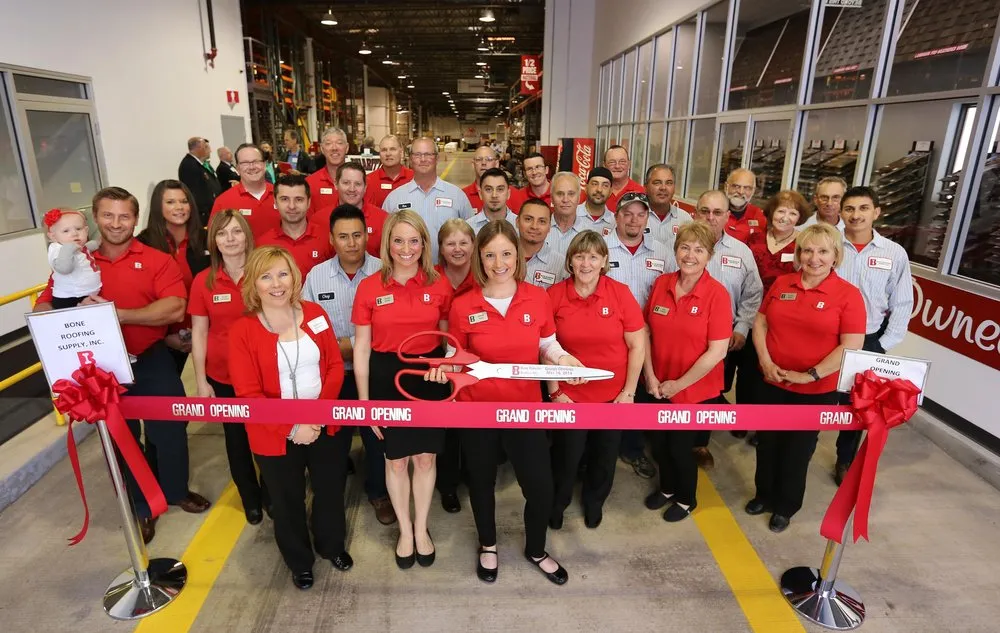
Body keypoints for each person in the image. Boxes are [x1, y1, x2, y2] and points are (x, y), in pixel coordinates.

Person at [34, 187, 210, 545]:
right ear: (95, 218)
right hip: (101, 371)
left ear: (135, 218)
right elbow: (44, 305)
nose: (116, 223)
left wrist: (115, 314)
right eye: (108, 215)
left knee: (171, 430)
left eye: (124, 216)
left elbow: (175, 307)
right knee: (121, 438)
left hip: (150, 358)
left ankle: (175, 490)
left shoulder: (157, 259)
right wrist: (59, 320)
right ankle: (143, 505)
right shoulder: (77, 260)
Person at [427, 220, 579, 586]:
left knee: (540, 486)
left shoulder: (537, 298)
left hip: (524, 410)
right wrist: (445, 368)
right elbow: (455, 355)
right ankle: (488, 545)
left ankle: (536, 549)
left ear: (517, 255)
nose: (499, 263)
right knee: (481, 484)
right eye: (491, 255)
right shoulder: (464, 305)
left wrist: (563, 360)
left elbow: (547, 344)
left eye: (506, 254)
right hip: (477, 411)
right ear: (480, 258)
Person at [228, 246, 352, 589]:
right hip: (273, 433)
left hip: (323, 424)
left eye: (283, 274)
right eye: (266, 277)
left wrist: (317, 418)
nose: (277, 284)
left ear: (294, 277)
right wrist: (293, 427)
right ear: (253, 284)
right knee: (286, 501)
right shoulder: (243, 331)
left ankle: (332, 545)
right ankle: (299, 561)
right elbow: (248, 394)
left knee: (330, 490)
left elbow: (334, 366)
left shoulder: (315, 313)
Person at [352, 210, 453, 569]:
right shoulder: (369, 287)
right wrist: (365, 403)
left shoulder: (439, 284)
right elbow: (361, 349)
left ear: (424, 244)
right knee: (395, 462)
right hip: (386, 377)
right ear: (387, 244)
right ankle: (405, 531)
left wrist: (447, 372)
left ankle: (421, 528)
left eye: (413, 241)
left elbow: (448, 343)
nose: (406, 248)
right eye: (398, 241)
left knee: (426, 458)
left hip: (428, 377)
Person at [747, 223, 865, 532]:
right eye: (808, 250)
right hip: (773, 381)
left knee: (797, 451)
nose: (814, 258)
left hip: (815, 390)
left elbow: (851, 345)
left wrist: (809, 375)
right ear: (799, 254)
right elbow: (760, 323)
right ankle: (763, 495)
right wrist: (765, 361)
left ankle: (785, 506)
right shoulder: (782, 283)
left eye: (823, 251)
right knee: (767, 443)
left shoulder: (848, 295)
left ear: (835, 255)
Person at [303, 204, 395, 526]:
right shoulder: (316, 277)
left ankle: (379, 493)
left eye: (357, 235)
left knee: (378, 438)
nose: (352, 243)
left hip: (375, 371)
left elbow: (391, 329)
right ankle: (330, 497)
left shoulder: (385, 271)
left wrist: (347, 345)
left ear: (367, 235)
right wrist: (349, 347)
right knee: (331, 441)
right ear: (332, 239)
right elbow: (307, 328)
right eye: (343, 236)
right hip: (333, 374)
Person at [548, 230, 645, 529]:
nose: (586, 263)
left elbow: (637, 345)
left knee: (604, 457)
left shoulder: (620, 294)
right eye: (579, 256)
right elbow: (545, 347)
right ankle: (558, 503)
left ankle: (594, 502)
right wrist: (555, 392)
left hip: (612, 397)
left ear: (604, 261)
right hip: (570, 397)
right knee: (566, 457)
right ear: (570, 261)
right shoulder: (554, 296)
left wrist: (629, 392)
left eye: (593, 257)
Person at [643, 222, 733, 522]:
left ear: (710, 256)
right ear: (675, 250)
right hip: (658, 384)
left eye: (699, 250)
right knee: (659, 445)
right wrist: (650, 376)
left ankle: (686, 499)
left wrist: (679, 385)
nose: (690, 255)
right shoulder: (662, 284)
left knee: (680, 449)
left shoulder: (717, 295)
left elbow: (717, 351)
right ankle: (668, 488)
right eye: (685, 247)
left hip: (694, 390)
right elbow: (646, 332)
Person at [188, 210, 265, 524]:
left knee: (268, 436)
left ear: (247, 235)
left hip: (264, 374)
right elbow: (199, 332)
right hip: (223, 376)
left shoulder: (264, 273)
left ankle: (272, 492)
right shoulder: (203, 282)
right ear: (214, 241)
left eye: (236, 231)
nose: (230, 239)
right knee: (237, 440)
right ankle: (251, 499)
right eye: (222, 233)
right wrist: (201, 381)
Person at [833, 186, 913, 484]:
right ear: (841, 212)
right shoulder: (829, 244)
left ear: (877, 212)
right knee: (819, 397)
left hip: (868, 340)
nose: (856, 215)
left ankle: (845, 459)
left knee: (857, 404)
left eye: (863, 208)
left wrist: (882, 344)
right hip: (827, 338)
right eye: (850, 209)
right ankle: (804, 446)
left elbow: (902, 302)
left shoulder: (894, 254)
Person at [690, 190, 763, 468]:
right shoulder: (679, 246)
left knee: (711, 391)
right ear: (695, 213)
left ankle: (700, 443)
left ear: (727, 217)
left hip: (725, 337)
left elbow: (753, 293)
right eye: (705, 211)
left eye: (717, 212)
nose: (710, 217)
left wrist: (742, 327)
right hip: (685, 335)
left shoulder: (741, 252)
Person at [604, 192, 672, 480]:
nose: (634, 220)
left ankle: (632, 449)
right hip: (608, 337)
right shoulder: (602, 248)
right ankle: (600, 449)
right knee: (606, 393)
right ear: (616, 216)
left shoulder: (662, 253)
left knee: (638, 393)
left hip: (649, 337)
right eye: (627, 214)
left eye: (640, 214)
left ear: (647, 218)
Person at [736, 190, 813, 441]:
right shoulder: (754, 237)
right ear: (771, 212)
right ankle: (742, 418)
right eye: (781, 211)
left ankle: (764, 425)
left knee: (771, 372)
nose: (785, 217)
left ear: (800, 218)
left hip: (782, 318)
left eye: (793, 213)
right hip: (749, 312)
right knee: (747, 370)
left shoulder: (803, 243)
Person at [137, 180, 211, 374]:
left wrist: (201, 332)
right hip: (162, 336)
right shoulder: (143, 244)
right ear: (158, 207)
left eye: (184, 201)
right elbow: (141, 297)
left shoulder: (207, 239)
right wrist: (166, 338)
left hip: (206, 330)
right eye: (170, 202)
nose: (179, 207)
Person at [433, 218, 477, 514]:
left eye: (463, 242)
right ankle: (447, 485)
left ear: (474, 245)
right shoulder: (431, 277)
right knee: (446, 429)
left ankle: (474, 476)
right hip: (439, 363)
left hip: (475, 364)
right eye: (451, 243)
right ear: (441, 247)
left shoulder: (483, 275)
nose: (457, 249)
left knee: (472, 428)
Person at [382, 137, 474, 261]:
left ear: (437, 158)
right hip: (408, 270)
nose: (423, 159)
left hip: (447, 270)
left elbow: (471, 236)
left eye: (428, 154)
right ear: (410, 159)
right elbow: (385, 241)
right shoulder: (394, 198)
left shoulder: (457, 196)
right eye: (417, 155)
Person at [257, 174, 331, 278]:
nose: (292, 206)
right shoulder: (263, 244)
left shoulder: (327, 239)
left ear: (308, 202)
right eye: (284, 199)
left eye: (299, 199)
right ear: (275, 202)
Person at [309, 161, 389, 258]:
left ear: (365, 187)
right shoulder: (318, 220)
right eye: (346, 183)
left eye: (358, 184)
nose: (352, 189)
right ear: (336, 184)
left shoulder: (383, 219)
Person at [210, 143, 278, 240]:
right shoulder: (223, 202)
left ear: (264, 164)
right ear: (238, 168)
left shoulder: (282, 195)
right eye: (245, 163)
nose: (252, 167)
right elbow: (214, 239)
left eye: (256, 161)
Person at [43, 208, 100, 308]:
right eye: (66, 231)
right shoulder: (58, 249)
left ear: (86, 231)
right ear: (53, 237)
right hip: (70, 298)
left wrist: (98, 243)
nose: (74, 233)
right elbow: (64, 269)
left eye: (79, 229)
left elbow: (86, 248)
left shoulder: (77, 247)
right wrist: (69, 248)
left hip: (84, 294)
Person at [519, 198, 567, 289]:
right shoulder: (501, 256)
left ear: (549, 227)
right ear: (517, 221)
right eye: (528, 219)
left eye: (542, 221)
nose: (534, 226)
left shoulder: (562, 265)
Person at [644, 163, 693, 247]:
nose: (663, 188)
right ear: (645, 187)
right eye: (657, 183)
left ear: (674, 188)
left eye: (669, 183)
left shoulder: (685, 220)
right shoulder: (633, 217)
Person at [306, 127, 350, 216]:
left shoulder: (359, 182)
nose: (334, 148)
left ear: (347, 147)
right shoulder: (310, 183)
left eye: (339, 143)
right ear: (322, 149)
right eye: (328, 144)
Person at [178, 136, 221, 225]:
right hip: (203, 215)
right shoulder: (189, 165)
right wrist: (206, 211)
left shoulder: (199, 164)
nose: (210, 151)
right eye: (205, 147)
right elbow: (195, 192)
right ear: (198, 148)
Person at [366, 135, 414, 208]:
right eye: (384, 150)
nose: (388, 154)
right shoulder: (368, 180)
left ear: (401, 152)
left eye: (392, 149)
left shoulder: (414, 178)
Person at [723, 168, 767, 245]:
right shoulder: (713, 212)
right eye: (736, 186)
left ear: (753, 191)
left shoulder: (759, 216)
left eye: (747, 188)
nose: (741, 192)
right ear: (726, 187)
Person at [468, 168, 518, 234]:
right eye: (488, 189)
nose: (494, 195)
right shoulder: (469, 228)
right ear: (480, 194)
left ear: (508, 194)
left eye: (500, 189)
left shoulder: (520, 226)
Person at [547, 172, 587, 253]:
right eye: (560, 194)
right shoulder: (538, 230)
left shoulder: (588, 233)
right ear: (551, 198)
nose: (565, 200)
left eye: (571, 194)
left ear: (579, 198)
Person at [603, 145, 645, 212]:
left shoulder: (641, 193)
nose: (617, 166)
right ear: (604, 165)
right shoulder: (596, 192)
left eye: (622, 162)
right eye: (612, 162)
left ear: (629, 164)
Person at [463, 145, 501, 212]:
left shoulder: (514, 195)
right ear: (473, 164)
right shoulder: (463, 195)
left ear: (496, 164)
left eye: (489, 159)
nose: (483, 163)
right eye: (479, 159)